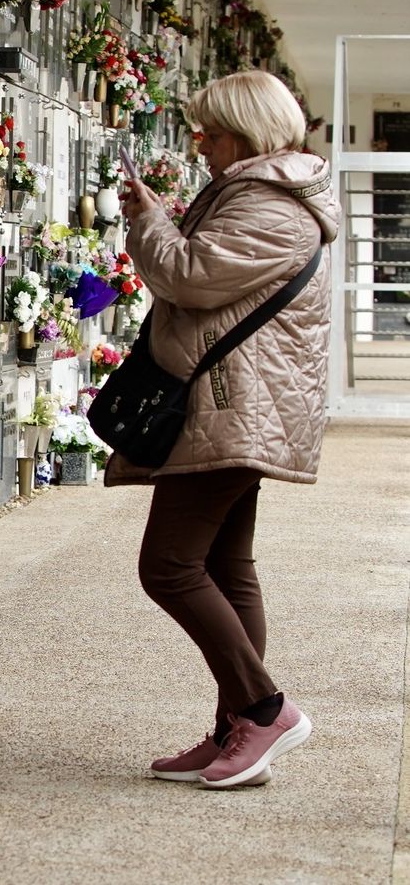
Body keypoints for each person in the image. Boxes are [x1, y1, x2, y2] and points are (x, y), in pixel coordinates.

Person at [111, 71, 339, 789]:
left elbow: (186, 275)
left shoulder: (272, 204)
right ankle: (235, 730)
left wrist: (147, 219)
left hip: (235, 405)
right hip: (241, 405)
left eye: (209, 130)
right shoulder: (265, 196)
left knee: (170, 567)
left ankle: (265, 711)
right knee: (225, 567)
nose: (199, 143)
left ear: (247, 131)